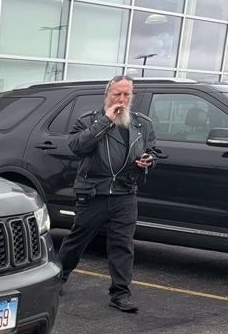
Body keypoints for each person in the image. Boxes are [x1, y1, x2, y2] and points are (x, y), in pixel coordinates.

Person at [57, 75, 158, 313]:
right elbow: (78, 146)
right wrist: (105, 121)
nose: (122, 99)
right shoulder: (88, 121)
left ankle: (120, 294)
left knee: (122, 244)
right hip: (94, 192)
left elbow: (153, 149)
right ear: (106, 95)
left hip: (125, 193)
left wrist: (149, 160)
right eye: (117, 94)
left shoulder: (142, 124)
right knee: (77, 240)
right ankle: (57, 279)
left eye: (127, 95)